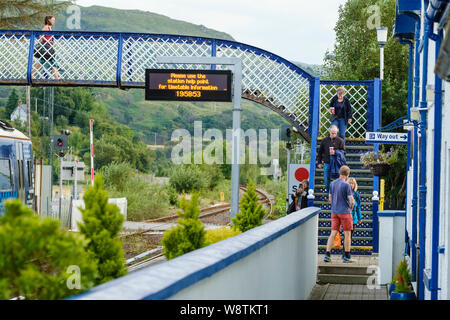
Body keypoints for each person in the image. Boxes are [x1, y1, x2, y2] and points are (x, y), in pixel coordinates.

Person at [324, 165, 355, 263]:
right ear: (347, 174)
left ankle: (327, 254)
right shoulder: (346, 185)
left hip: (334, 212)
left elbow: (330, 198)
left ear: (340, 173)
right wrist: (350, 208)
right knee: (347, 234)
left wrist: (335, 204)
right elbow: (352, 200)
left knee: (333, 233)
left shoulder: (332, 184)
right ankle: (347, 256)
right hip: (345, 212)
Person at [317, 125, 345, 193]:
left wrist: (335, 152)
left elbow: (344, 152)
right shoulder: (324, 140)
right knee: (326, 179)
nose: (333, 135)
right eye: (332, 133)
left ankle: (337, 194)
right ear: (329, 131)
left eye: (335, 133)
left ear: (337, 132)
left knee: (338, 179)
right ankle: (329, 194)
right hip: (327, 162)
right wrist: (319, 162)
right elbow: (320, 152)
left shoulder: (340, 140)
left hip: (336, 163)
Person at [32, 15, 59, 80]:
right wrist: (47, 41)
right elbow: (41, 35)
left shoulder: (49, 28)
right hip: (46, 48)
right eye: (53, 20)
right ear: (49, 20)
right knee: (53, 62)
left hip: (48, 48)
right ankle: (57, 78)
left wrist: (49, 41)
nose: (54, 21)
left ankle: (32, 73)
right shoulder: (46, 27)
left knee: (42, 61)